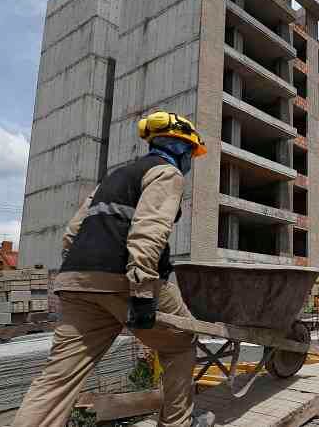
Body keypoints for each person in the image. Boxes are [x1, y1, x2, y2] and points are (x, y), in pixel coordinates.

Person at [12, 111, 212, 427]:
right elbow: (149, 230)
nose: (190, 161)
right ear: (180, 147)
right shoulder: (167, 174)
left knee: (58, 379)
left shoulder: (115, 178)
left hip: (77, 281)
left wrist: (84, 272)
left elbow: (71, 233)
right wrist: (144, 291)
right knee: (182, 343)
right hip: (125, 281)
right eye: (190, 153)